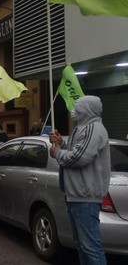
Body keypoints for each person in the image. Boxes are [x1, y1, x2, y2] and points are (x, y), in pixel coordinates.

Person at [49, 95, 110, 264]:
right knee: (82, 246)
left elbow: (80, 157)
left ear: (87, 109)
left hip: (85, 197)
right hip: (76, 195)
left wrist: (58, 153)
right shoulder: (81, 129)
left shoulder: (94, 129)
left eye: (78, 108)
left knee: (90, 247)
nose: (74, 111)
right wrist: (61, 143)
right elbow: (76, 149)